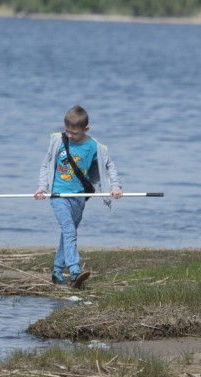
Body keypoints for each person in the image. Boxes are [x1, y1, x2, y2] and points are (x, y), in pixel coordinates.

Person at [35, 105, 123, 288]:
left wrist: (115, 187)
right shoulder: (58, 142)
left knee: (68, 233)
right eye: (67, 131)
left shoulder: (95, 147)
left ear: (86, 129)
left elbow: (109, 168)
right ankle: (74, 270)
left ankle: (57, 271)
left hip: (79, 198)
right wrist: (42, 188)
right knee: (68, 229)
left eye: (74, 133)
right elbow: (46, 165)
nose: (69, 136)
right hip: (58, 195)